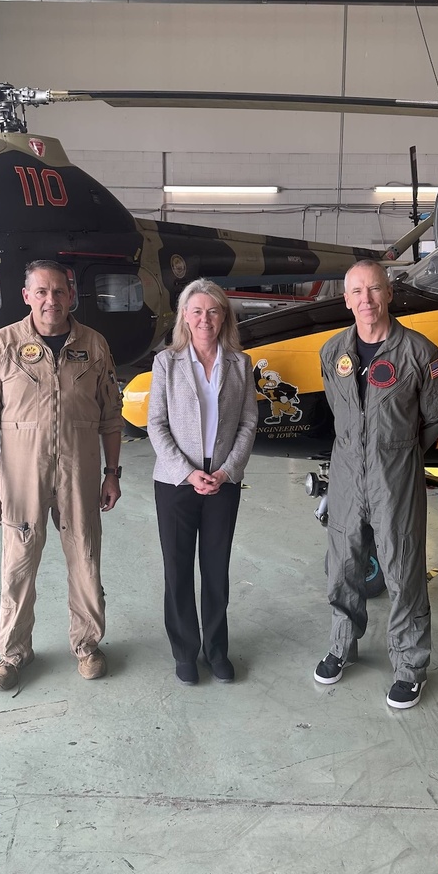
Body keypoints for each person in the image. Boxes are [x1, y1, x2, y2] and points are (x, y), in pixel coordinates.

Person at [0, 260, 123, 691]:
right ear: (26, 296)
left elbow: (112, 415)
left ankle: (88, 644)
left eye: (59, 292)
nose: (51, 300)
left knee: (86, 557)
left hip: (80, 471)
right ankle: (13, 653)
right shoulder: (2, 346)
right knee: (18, 564)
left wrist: (112, 474)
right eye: (41, 292)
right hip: (21, 476)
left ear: (71, 296)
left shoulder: (94, 346)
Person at [313, 260, 438, 709]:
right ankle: (342, 645)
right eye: (356, 292)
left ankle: (410, 667)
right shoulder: (332, 353)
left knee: (402, 567)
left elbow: (435, 418)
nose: (366, 301)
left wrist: (398, 454)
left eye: (374, 290)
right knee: (343, 564)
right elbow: (340, 414)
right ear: (346, 299)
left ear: (389, 294)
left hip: (396, 475)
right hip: (347, 475)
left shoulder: (421, 354)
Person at [147, 278, 258, 686]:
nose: (204, 318)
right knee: (177, 569)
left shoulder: (239, 364)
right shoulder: (166, 363)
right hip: (176, 483)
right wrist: (187, 472)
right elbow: (155, 425)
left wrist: (227, 471)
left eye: (213, 310)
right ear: (184, 317)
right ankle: (184, 652)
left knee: (216, 570)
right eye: (196, 311)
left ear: (224, 315)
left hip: (223, 482)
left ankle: (216, 649)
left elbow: (248, 422)